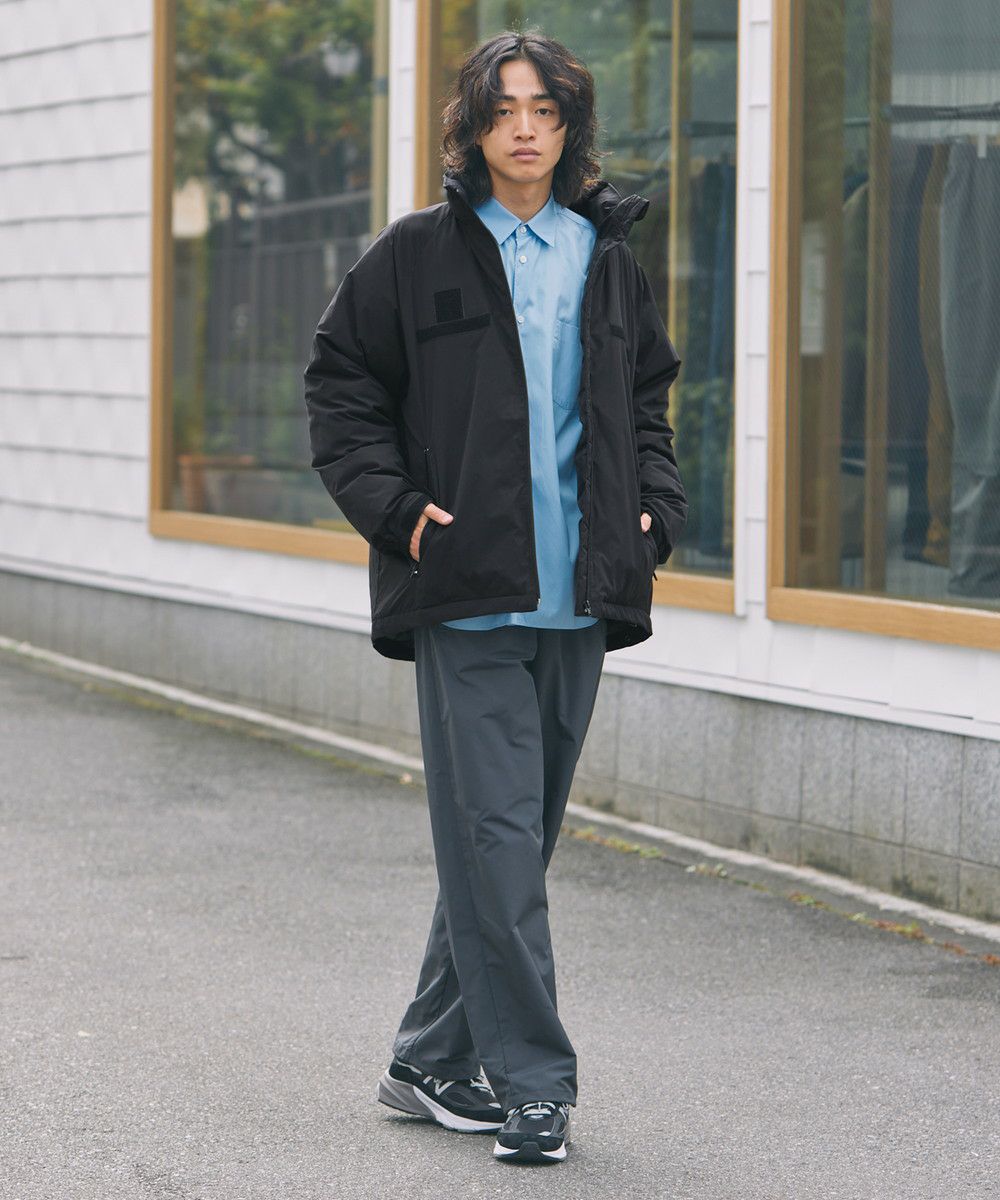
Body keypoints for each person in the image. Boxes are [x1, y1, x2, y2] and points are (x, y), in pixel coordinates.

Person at [303, 29, 686, 1165]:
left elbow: (647, 397)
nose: (525, 128)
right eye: (505, 109)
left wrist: (655, 511)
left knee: (508, 845)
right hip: (465, 591)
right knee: (499, 840)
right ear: (472, 127)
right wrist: (396, 511)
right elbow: (339, 384)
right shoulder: (415, 253)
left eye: (546, 110)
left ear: (569, 129)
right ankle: (534, 1086)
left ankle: (427, 1057)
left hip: (582, 589)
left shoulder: (603, 255)